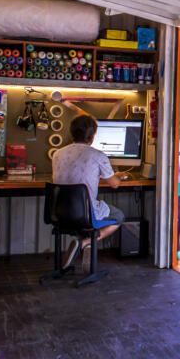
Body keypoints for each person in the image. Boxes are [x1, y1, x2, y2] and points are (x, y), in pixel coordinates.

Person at [52, 115, 129, 270]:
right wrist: (117, 177)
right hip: (85, 214)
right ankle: (85, 242)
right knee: (119, 216)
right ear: (92, 136)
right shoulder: (98, 155)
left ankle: (84, 244)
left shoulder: (57, 154)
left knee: (87, 215)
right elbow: (114, 184)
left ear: (72, 132)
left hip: (59, 212)